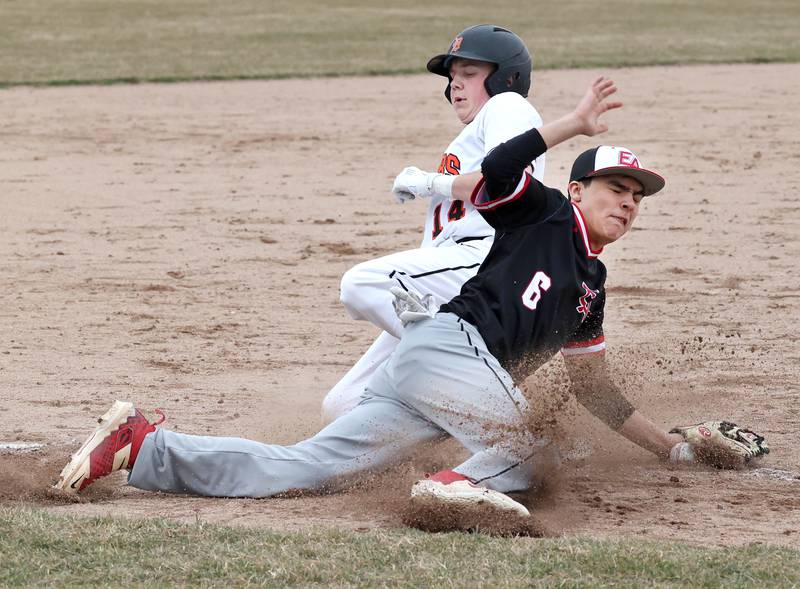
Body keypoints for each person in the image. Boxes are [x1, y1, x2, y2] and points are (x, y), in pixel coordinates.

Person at [55, 77, 767, 518]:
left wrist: (673, 451)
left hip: (431, 385)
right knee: (531, 451)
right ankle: (454, 484)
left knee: (308, 469)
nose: (628, 203)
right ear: (578, 189)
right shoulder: (544, 213)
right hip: (446, 350)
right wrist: (572, 126)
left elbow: (596, 388)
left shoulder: (591, 285)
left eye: (636, 196)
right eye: (616, 188)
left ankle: (144, 446)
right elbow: (500, 164)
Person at [322, 24, 546, 423]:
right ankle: (457, 422)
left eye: (469, 74)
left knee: (363, 283)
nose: (456, 84)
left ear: (506, 78)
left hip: (486, 260)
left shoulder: (507, 106)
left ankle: (464, 375)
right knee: (341, 406)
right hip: (451, 272)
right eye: (453, 76)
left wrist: (430, 182)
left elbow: (505, 180)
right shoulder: (477, 129)